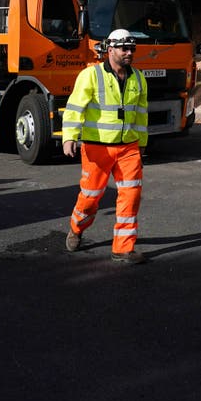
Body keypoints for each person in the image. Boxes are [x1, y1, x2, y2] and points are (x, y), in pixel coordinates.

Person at [62, 28, 149, 264]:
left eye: (132, 48)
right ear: (110, 49)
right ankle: (76, 228)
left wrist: (141, 143)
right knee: (90, 198)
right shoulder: (90, 75)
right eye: (124, 48)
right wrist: (69, 136)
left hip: (128, 147)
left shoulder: (138, 78)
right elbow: (75, 107)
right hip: (96, 148)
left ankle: (123, 249)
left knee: (131, 196)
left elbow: (141, 114)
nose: (129, 52)